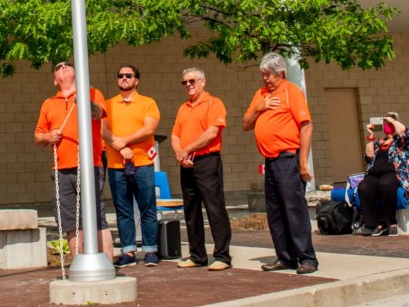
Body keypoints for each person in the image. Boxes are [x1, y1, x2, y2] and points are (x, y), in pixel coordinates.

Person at [243, 52, 318, 275]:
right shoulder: (261, 94)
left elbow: (306, 127)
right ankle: (285, 256)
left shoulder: (292, 92)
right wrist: (260, 107)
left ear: (281, 73)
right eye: (263, 74)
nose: (265, 79)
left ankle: (307, 258)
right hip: (270, 160)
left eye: (269, 75)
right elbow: (246, 124)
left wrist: (303, 161)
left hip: (288, 158)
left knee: (294, 209)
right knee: (274, 210)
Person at [34, 61, 114, 261]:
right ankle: (78, 263)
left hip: (89, 165)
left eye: (68, 65)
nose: (63, 67)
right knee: (71, 221)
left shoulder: (93, 93)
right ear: (55, 80)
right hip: (61, 168)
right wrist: (48, 136)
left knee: (96, 217)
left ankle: (106, 263)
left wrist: (84, 100)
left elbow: (98, 114)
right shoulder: (49, 103)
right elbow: (38, 136)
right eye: (58, 67)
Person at [171, 67, 233, 271]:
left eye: (192, 81)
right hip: (186, 164)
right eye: (185, 82)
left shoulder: (214, 103)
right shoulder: (183, 108)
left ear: (202, 82)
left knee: (214, 208)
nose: (188, 85)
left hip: (207, 161)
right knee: (191, 210)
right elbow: (175, 135)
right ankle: (197, 255)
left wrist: (186, 150)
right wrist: (181, 155)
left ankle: (222, 256)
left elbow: (211, 133)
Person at [101, 64, 161, 267]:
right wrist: (120, 148)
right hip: (117, 165)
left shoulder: (148, 102)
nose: (124, 78)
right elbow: (103, 130)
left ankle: (151, 250)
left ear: (137, 80)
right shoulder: (108, 105)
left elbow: (148, 129)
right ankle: (128, 252)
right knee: (122, 209)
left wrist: (124, 141)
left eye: (129, 75)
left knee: (147, 207)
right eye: (120, 76)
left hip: (142, 163)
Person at [354, 113, 409, 237]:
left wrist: (391, 120)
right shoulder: (380, 142)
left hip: (394, 172)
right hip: (374, 174)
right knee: (364, 187)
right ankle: (373, 223)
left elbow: (404, 131)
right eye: (385, 124)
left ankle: (389, 222)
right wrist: (370, 136)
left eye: (388, 124)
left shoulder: (401, 142)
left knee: (385, 184)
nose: (386, 126)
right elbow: (368, 157)